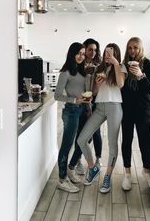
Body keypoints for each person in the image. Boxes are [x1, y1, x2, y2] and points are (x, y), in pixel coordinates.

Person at [78, 43, 127, 193]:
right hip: (99, 107)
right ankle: (93, 168)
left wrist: (115, 63)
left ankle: (108, 176)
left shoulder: (121, 67)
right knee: (81, 139)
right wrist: (97, 86)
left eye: (111, 52)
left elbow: (120, 84)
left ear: (116, 54)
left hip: (115, 107)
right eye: (106, 52)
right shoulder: (99, 68)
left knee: (112, 143)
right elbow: (93, 92)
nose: (108, 55)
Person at [121, 37, 150, 191]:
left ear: (140, 48)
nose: (132, 51)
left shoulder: (148, 64)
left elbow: (149, 88)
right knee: (127, 139)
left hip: (142, 108)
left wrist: (141, 75)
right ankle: (127, 173)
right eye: (130, 48)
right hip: (127, 108)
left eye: (135, 48)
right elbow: (120, 87)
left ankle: (146, 171)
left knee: (144, 140)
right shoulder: (123, 65)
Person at [54, 42, 91, 193]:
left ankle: (71, 169)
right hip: (71, 111)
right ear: (72, 54)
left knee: (83, 140)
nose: (82, 56)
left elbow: (85, 91)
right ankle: (62, 180)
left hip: (83, 110)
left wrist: (87, 105)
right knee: (66, 145)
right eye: (79, 53)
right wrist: (73, 100)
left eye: (83, 53)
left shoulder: (84, 72)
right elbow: (57, 95)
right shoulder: (66, 72)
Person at [68, 38, 103, 177]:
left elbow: (96, 90)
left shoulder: (99, 66)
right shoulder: (78, 65)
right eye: (90, 49)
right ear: (84, 49)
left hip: (95, 103)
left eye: (95, 50)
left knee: (96, 133)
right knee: (82, 135)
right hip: (81, 103)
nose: (92, 52)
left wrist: (97, 79)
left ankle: (98, 160)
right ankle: (77, 162)